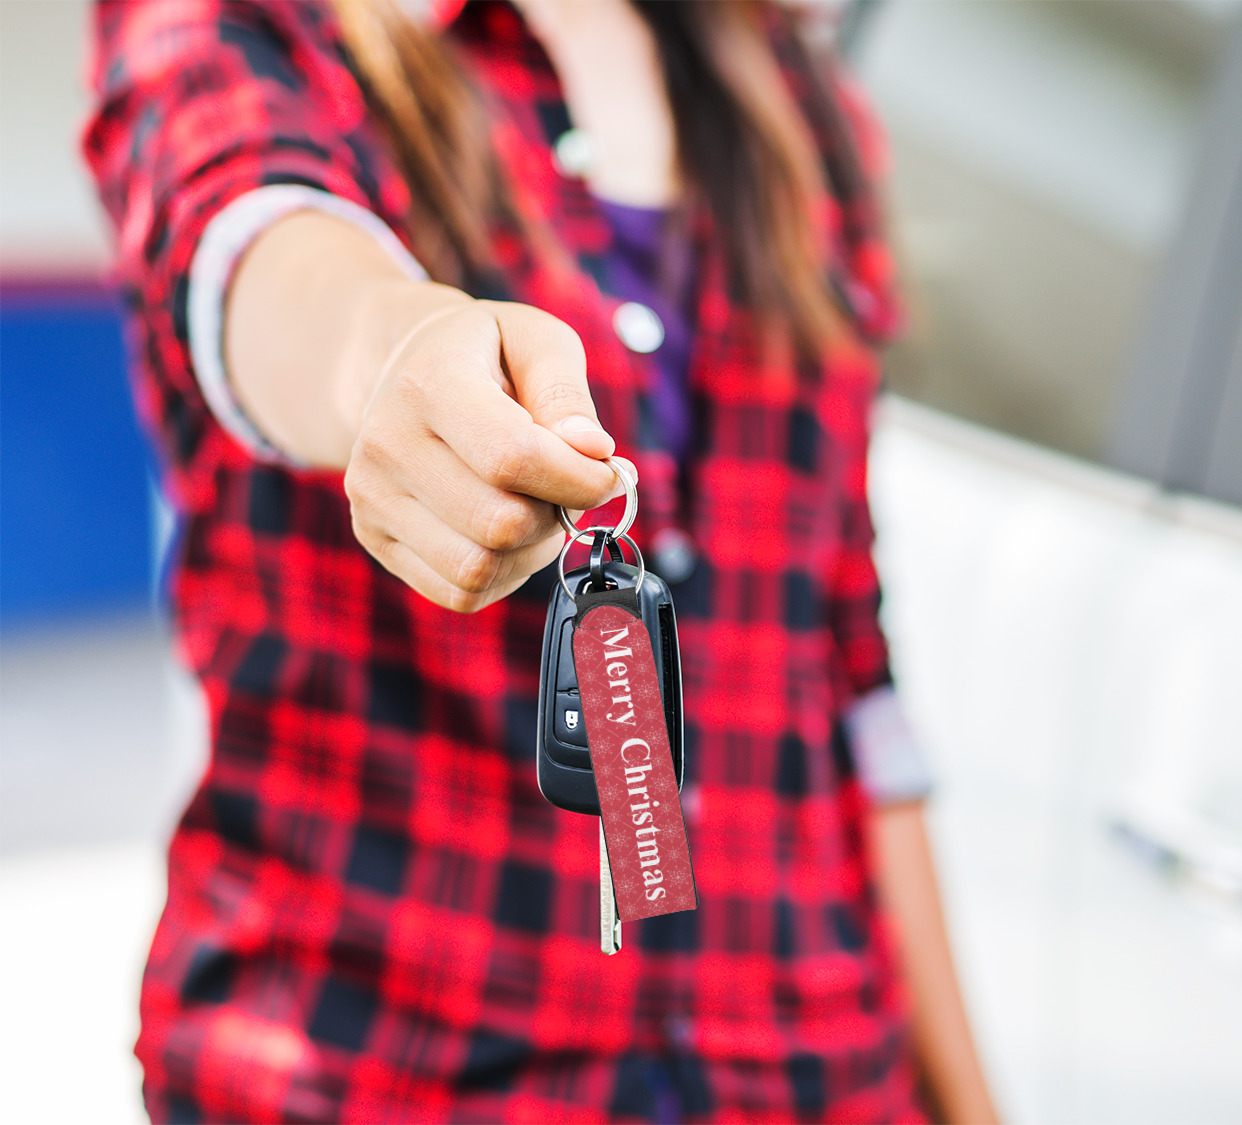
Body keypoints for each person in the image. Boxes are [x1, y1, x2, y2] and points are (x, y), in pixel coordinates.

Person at [85, 1, 1001, 1120]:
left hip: (806, 1065)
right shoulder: (259, 26)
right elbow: (258, 246)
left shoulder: (797, 100)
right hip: (388, 1066)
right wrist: (392, 355)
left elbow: (850, 677)